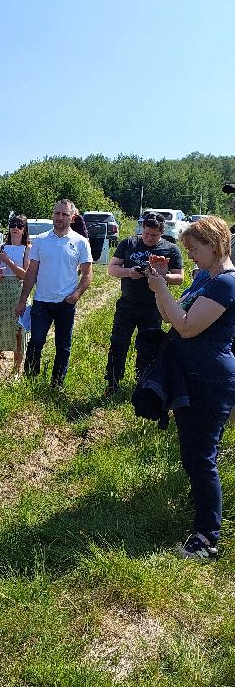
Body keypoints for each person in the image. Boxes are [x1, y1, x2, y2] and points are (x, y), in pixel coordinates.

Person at [145, 217, 235, 560]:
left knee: (201, 456)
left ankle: (206, 538)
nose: (191, 255)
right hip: (192, 376)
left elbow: (186, 327)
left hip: (210, 379)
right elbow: (170, 315)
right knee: (194, 454)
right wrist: (159, 286)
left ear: (215, 245)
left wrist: (161, 288)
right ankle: (202, 516)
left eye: (194, 249)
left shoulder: (226, 283)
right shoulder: (205, 278)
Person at [16, 199, 93, 387]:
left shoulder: (81, 242)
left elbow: (88, 275)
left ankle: (57, 384)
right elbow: (31, 273)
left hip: (65, 303)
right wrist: (22, 300)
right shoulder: (40, 240)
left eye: (64, 214)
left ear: (72, 217)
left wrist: (75, 296)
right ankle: (30, 382)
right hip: (41, 302)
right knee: (36, 342)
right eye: (57, 213)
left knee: (63, 346)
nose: (59, 217)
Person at [105, 212, 184, 392]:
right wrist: (129, 272)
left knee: (148, 345)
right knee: (118, 343)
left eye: (153, 235)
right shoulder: (129, 243)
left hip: (153, 306)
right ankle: (113, 381)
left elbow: (179, 278)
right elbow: (112, 268)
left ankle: (144, 382)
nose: (148, 238)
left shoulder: (170, 249)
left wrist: (162, 276)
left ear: (162, 233)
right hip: (127, 303)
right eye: (146, 233)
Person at [0, 214, 30, 385]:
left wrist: (9, 262)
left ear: (24, 230)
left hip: (19, 292)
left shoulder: (27, 249)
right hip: (1, 293)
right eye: (13, 225)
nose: (15, 228)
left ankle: (16, 371)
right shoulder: (0, 247)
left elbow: (25, 275)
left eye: (19, 225)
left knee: (19, 331)